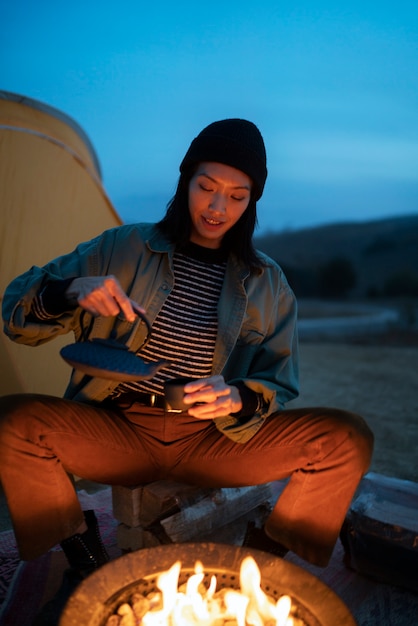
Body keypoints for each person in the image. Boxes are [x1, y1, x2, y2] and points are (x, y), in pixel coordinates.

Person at [0, 119, 374, 624]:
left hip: (214, 440)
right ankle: (86, 563)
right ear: (185, 181)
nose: (219, 208)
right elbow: (15, 317)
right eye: (207, 187)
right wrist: (69, 291)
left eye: (237, 196)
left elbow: (279, 379)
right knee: (14, 423)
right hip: (120, 429)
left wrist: (238, 397)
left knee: (346, 438)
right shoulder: (124, 247)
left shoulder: (267, 283)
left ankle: (257, 567)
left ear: (252, 203)